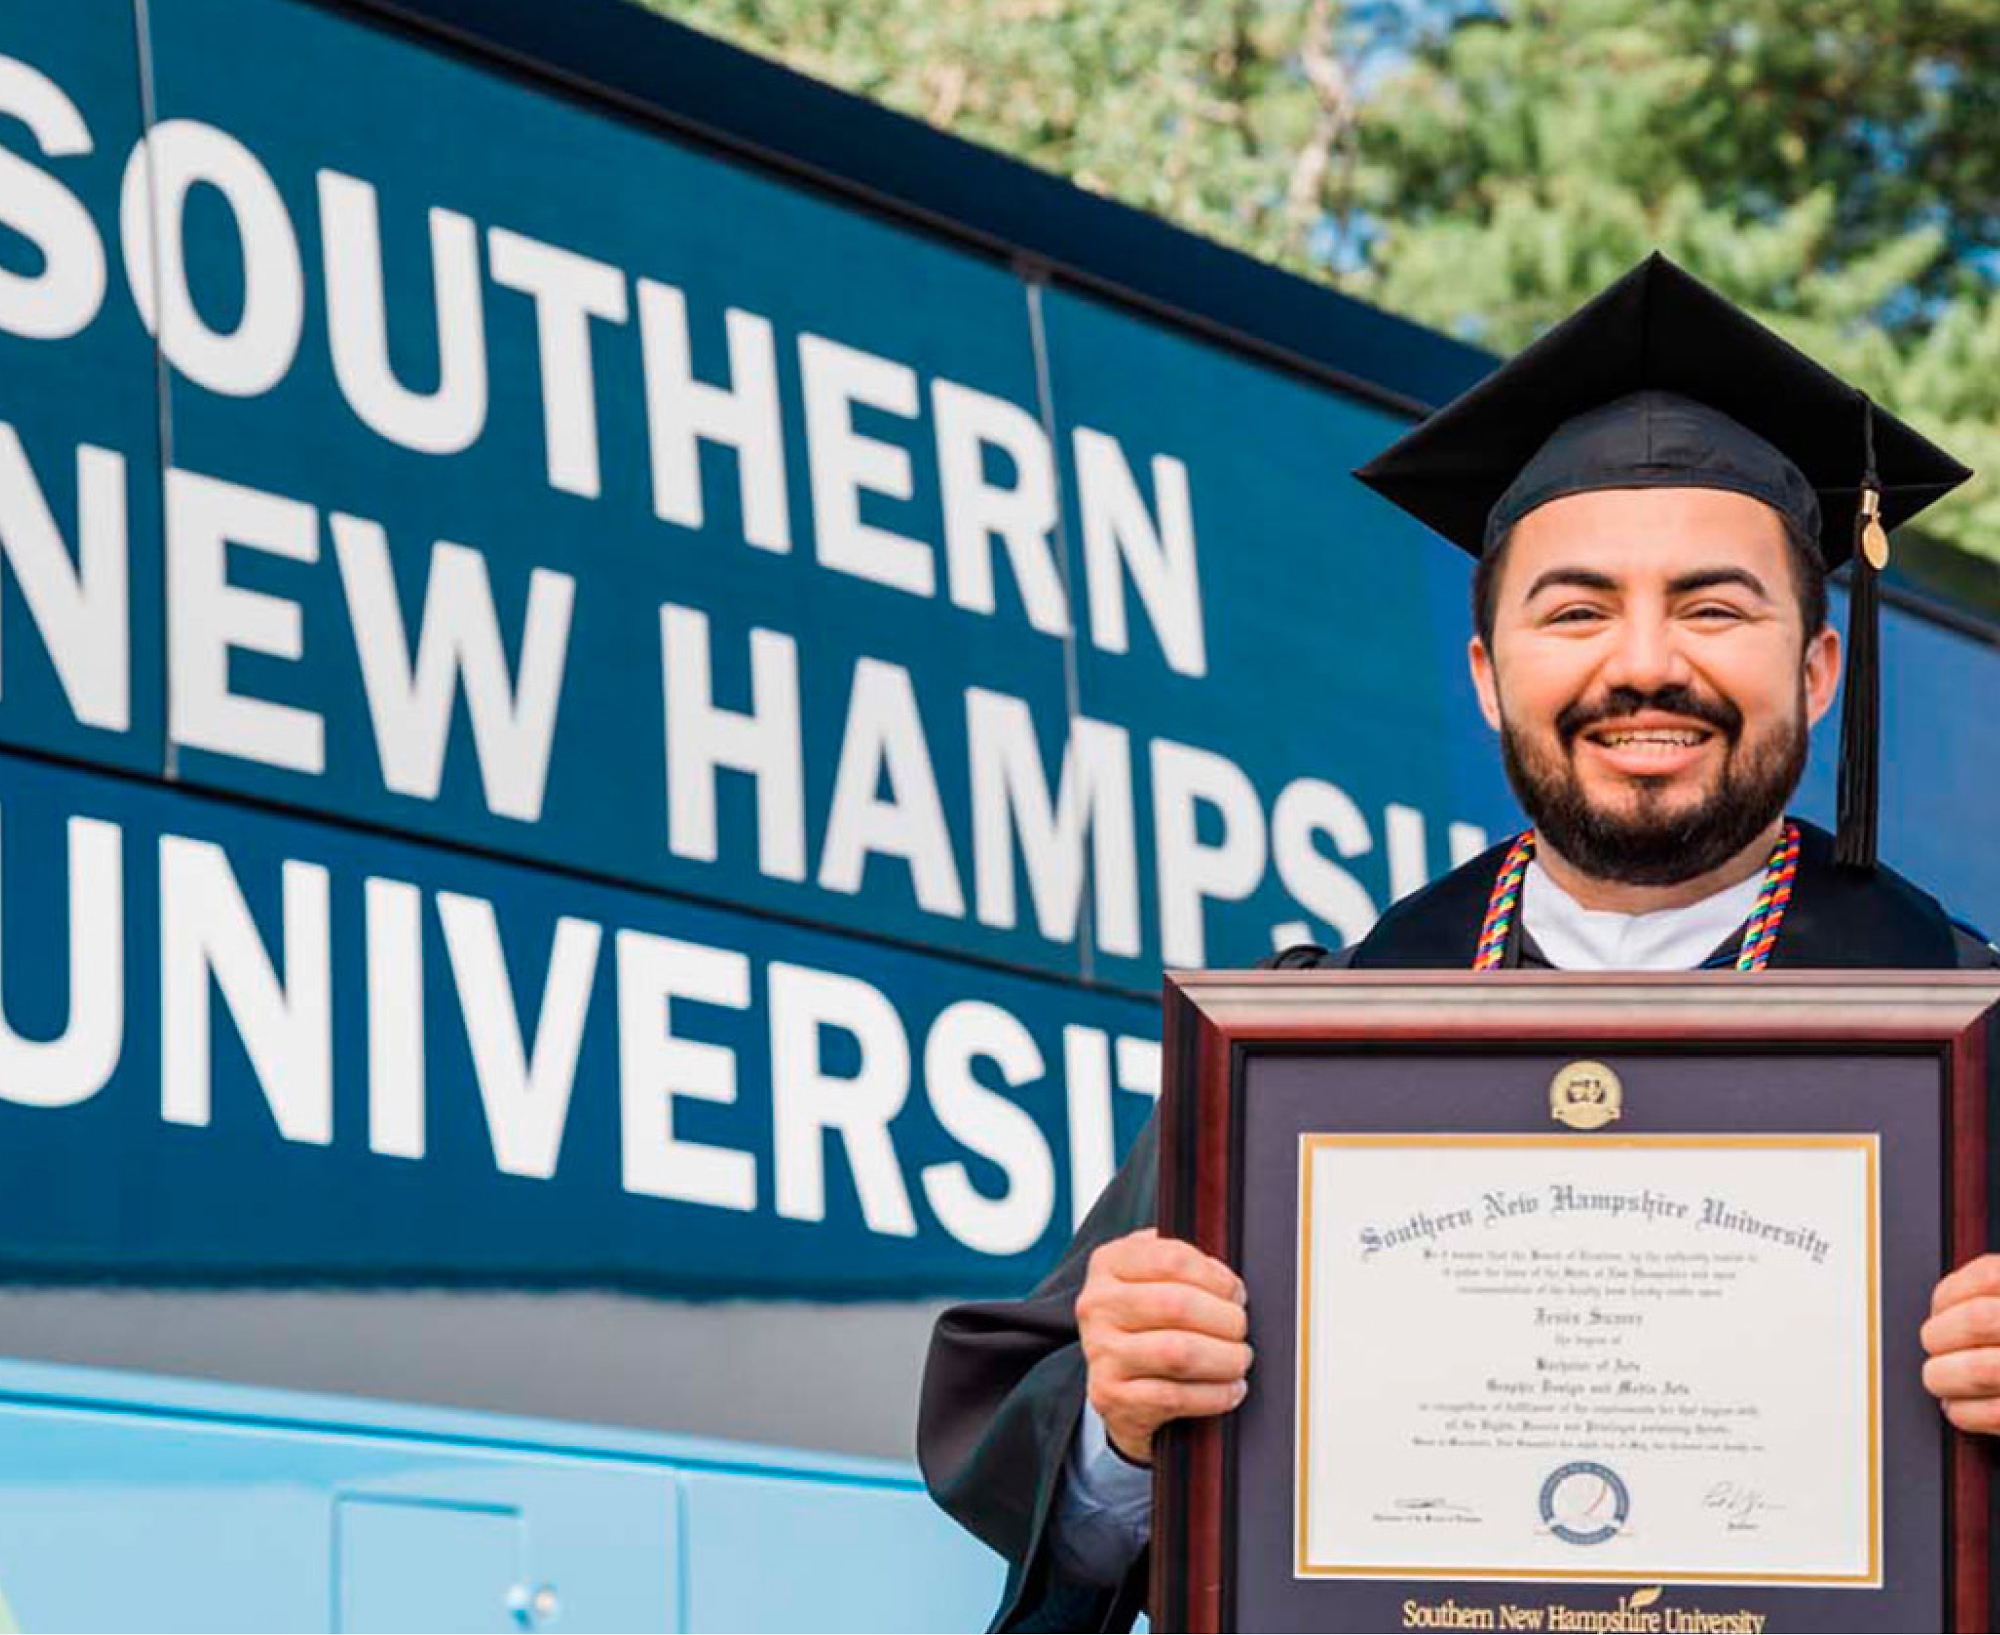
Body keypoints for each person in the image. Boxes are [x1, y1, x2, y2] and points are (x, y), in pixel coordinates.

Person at [916, 252, 2000, 1633]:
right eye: (1577, 608)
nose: (1645, 664)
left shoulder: (1970, 1050)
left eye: (1716, 606)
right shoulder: (1304, 1051)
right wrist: (1125, 1433)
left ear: (1818, 668)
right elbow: (1081, 1544)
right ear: (1489, 674)